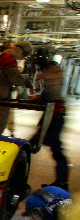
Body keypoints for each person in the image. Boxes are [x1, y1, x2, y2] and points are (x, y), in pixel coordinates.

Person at [31, 47, 68, 190]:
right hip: (52, 111)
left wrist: (38, 99)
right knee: (47, 145)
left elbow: (49, 93)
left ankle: (62, 182)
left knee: (54, 147)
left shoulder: (51, 71)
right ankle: (62, 181)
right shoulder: (50, 70)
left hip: (55, 112)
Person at [0, 40, 32, 135]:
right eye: (24, 54)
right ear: (19, 50)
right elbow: (15, 78)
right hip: (1, 94)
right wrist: (26, 80)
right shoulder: (9, 59)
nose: (23, 57)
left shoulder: (1, 56)